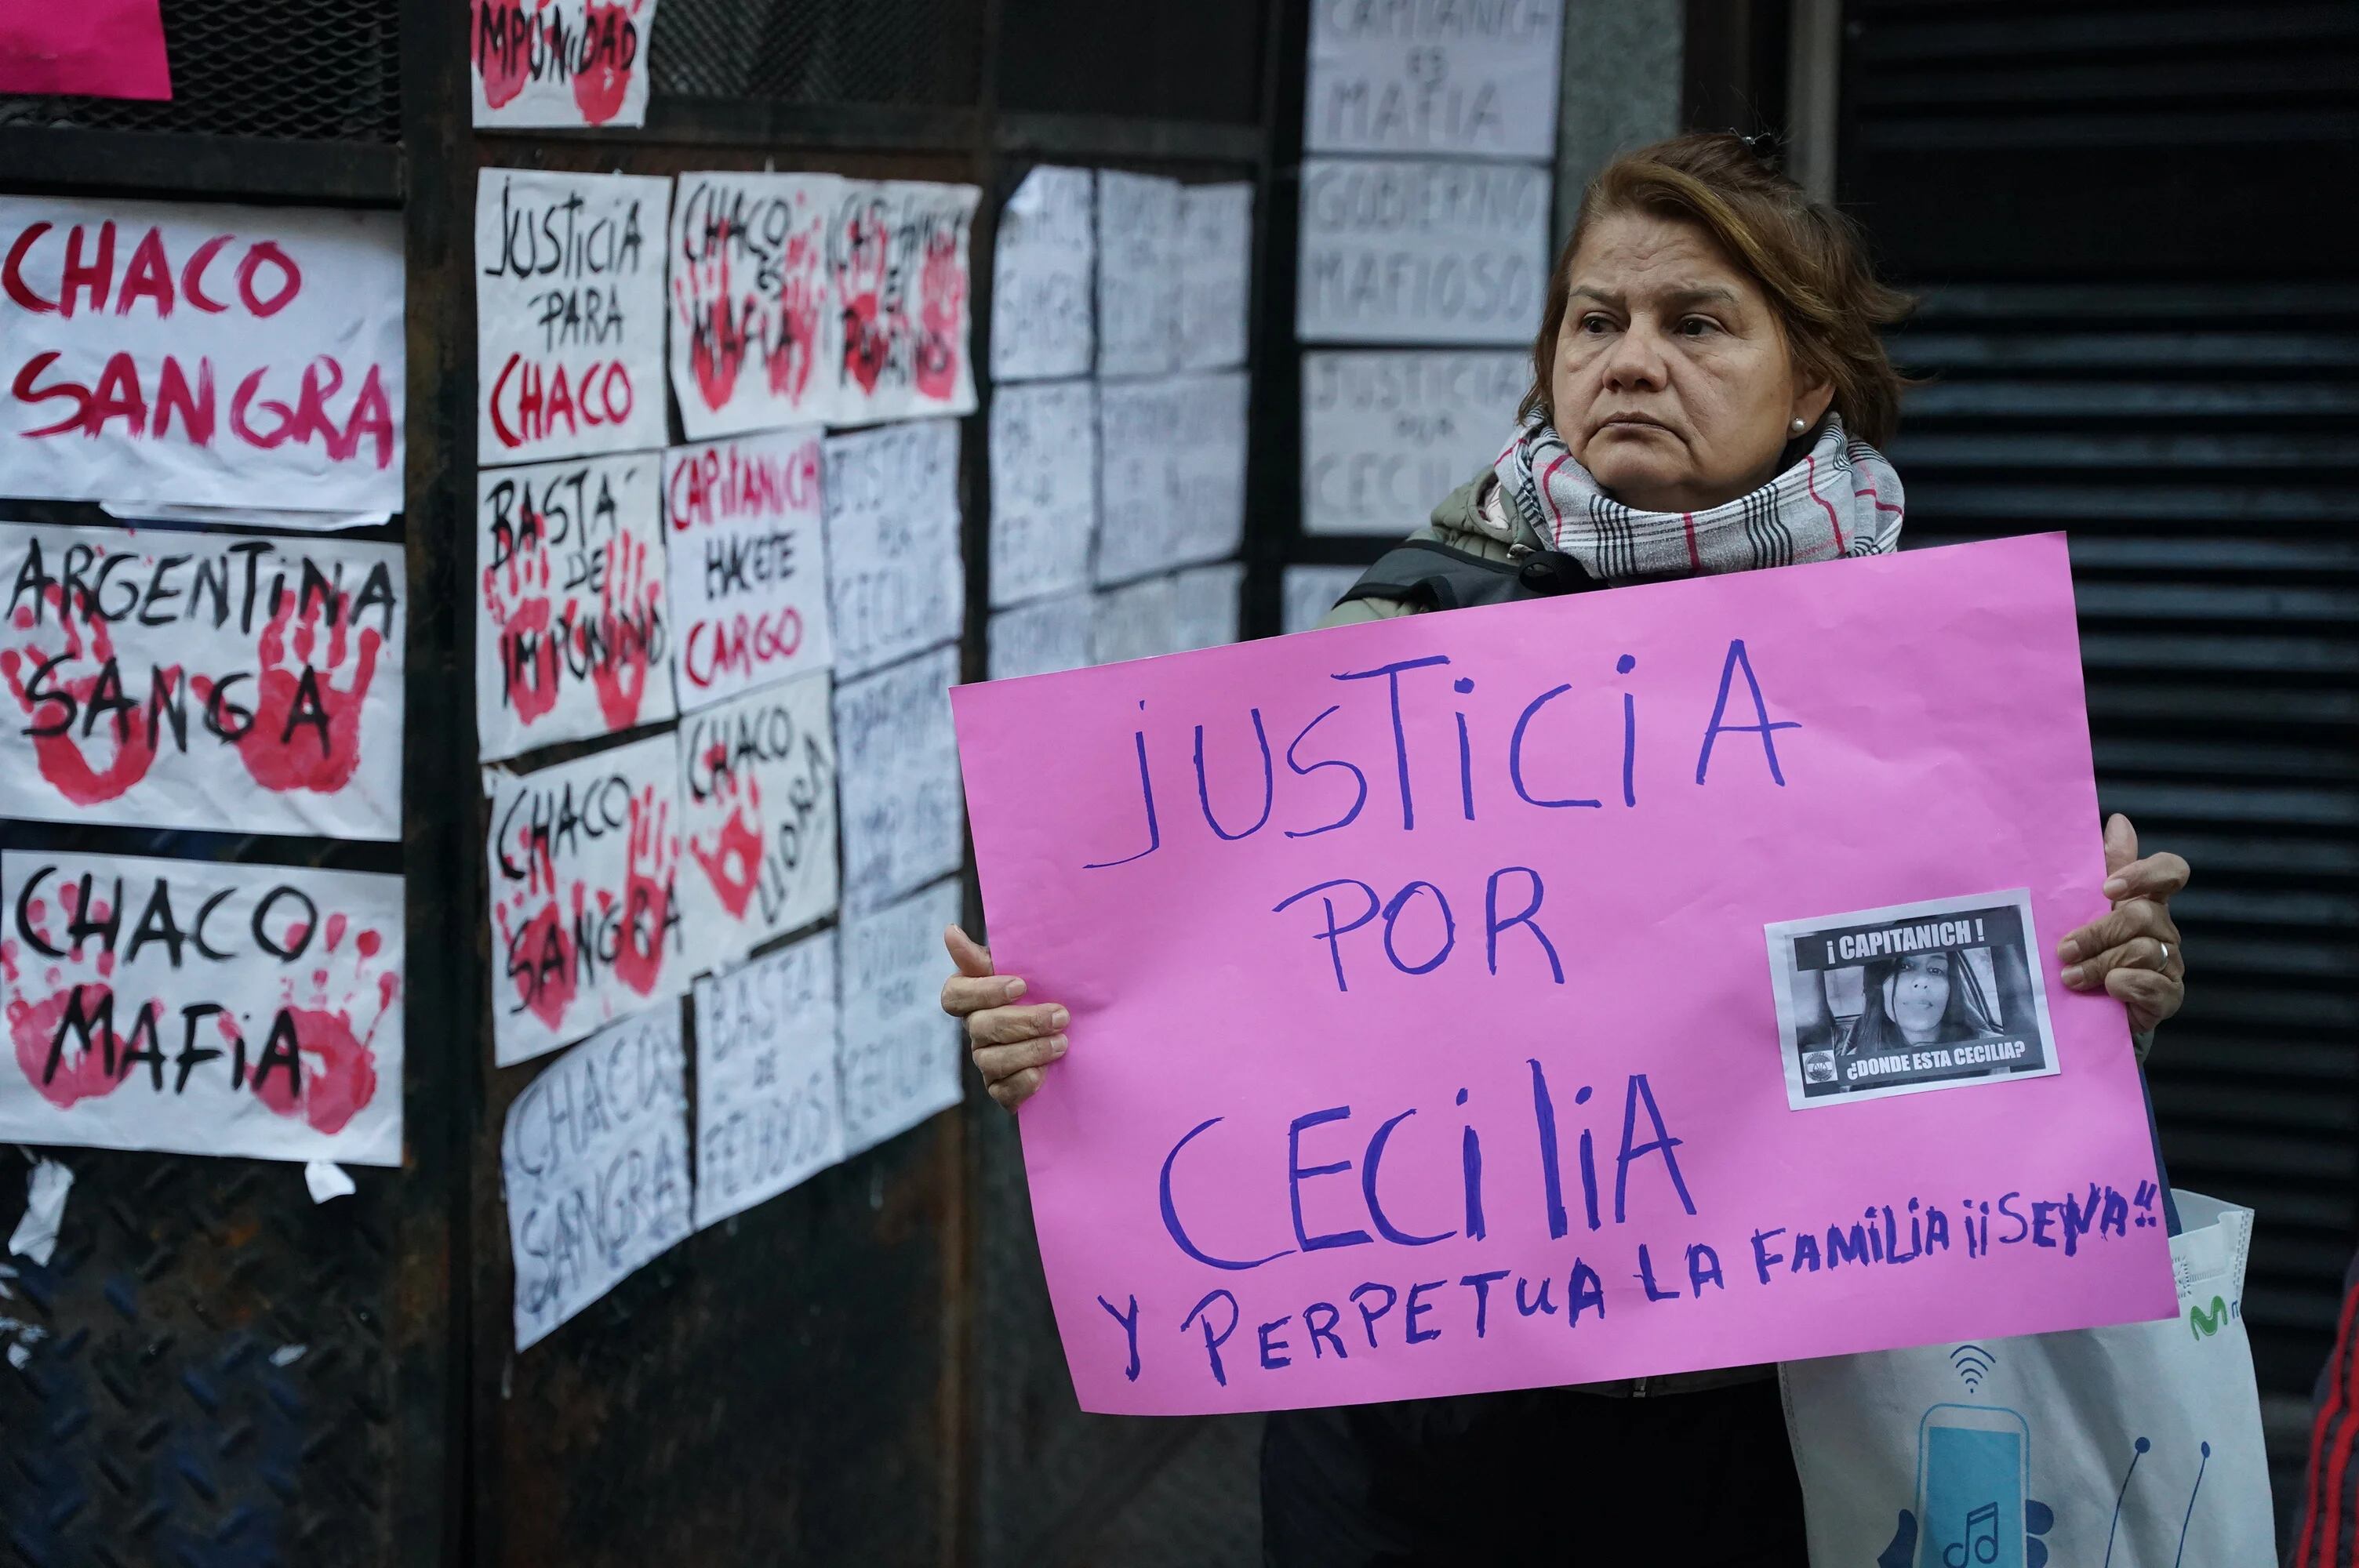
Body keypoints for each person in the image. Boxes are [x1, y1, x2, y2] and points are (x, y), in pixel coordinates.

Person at [941, 132, 2194, 1564]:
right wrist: (1054, 1043)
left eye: (1698, 323)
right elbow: (1230, 1021)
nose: (1633, 360)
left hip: (1781, 1439)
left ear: (1813, 386)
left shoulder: (1930, 699)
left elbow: (1952, 1057)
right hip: (1422, 1450)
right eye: (1597, 321)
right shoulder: (1390, 656)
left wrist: (2109, 990)